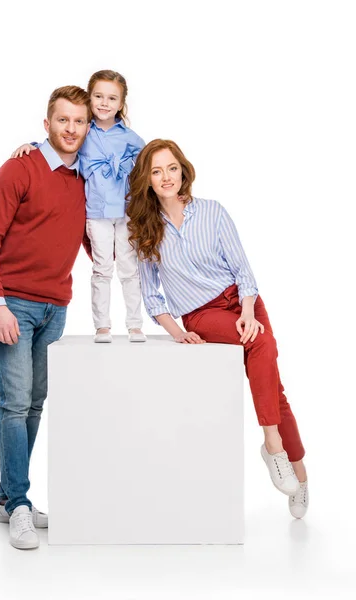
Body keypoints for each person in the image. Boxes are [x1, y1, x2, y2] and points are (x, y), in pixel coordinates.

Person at [126, 139, 309, 519]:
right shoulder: (145, 229)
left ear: (183, 170)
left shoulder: (212, 212)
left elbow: (243, 270)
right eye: (156, 171)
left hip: (243, 302)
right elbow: (151, 293)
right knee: (262, 346)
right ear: (147, 179)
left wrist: (247, 310)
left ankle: (299, 474)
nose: (166, 177)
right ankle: (272, 444)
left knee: (274, 385)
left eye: (171, 168)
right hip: (201, 313)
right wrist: (176, 332)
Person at [0, 85, 93, 550]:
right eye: (63, 120)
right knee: (15, 403)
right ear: (46, 125)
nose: (71, 129)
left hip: (55, 307)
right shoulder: (19, 168)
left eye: (79, 122)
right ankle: (20, 503)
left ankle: (7, 497)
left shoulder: (84, 178)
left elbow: (89, 238)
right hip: (14, 304)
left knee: (35, 403)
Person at [12, 70, 146, 343]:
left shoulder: (130, 138)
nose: (104, 103)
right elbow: (61, 145)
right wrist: (33, 144)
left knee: (129, 268)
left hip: (125, 212)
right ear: (90, 98)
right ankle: (103, 326)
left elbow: (149, 161)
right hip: (96, 213)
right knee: (102, 268)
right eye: (98, 96)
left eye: (112, 98)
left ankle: (134, 324)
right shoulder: (85, 132)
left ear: (121, 104)